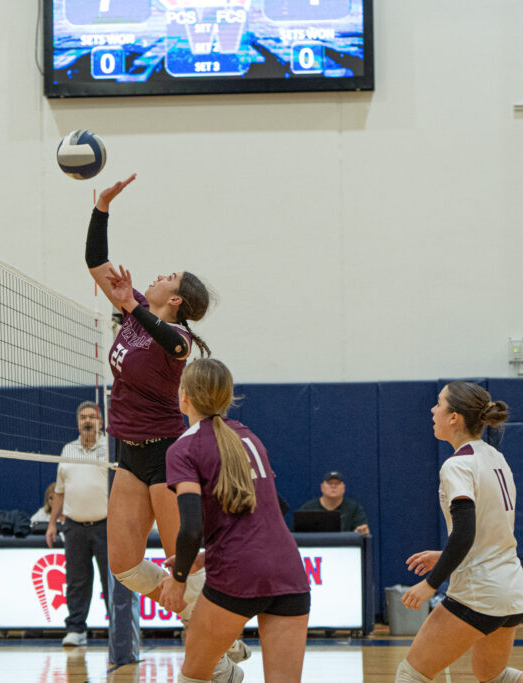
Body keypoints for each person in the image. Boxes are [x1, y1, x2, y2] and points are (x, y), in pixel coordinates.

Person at [83, 174, 219, 628]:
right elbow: (96, 260)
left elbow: (174, 345)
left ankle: (213, 645)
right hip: (128, 453)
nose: (157, 276)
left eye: (168, 277)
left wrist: (130, 306)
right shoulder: (133, 309)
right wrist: (102, 206)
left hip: (166, 454)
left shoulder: (175, 336)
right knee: (123, 565)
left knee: (186, 561)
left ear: (175, 298)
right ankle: (208, 627)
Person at [159, 358, 309, 683]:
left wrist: (179, 579)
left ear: (183, 396)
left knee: (195, 676)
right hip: (288, 570)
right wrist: (207, 556)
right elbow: (270, 510)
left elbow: (191, 527)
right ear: (226, 397)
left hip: (238, 574)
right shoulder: (249, 437)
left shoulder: (183, 448)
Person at [395, 382, 523, 683]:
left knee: (411, 675)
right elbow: (487, 528)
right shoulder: (495, 458)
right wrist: (444, 556)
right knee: (495, 676)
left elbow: (464, 533)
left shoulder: (457, 464)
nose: (432, 410)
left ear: (454, 417)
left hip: (480, 592)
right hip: (512, 590)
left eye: (438, 403)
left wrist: (430, 585)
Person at [45, 400, 110, 647]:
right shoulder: (67, 450)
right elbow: (59, 492)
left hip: (105, 526)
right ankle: (76, 629)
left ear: (100, 422)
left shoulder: (110, 447)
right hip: (74, 527)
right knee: (76, 581)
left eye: (92, 417)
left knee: (110, 580)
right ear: (77, 422)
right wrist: (52, 523)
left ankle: (118, 628)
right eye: (83, 417)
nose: (87, 421)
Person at [297, 471, 370, 535]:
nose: (333, 486)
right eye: (329, 483)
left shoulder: (354, 508)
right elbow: (296, 535)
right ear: (322, 487)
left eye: (337, 483)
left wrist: (362, 532)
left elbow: (363, 531)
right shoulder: (308, 508)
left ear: (344, 488)